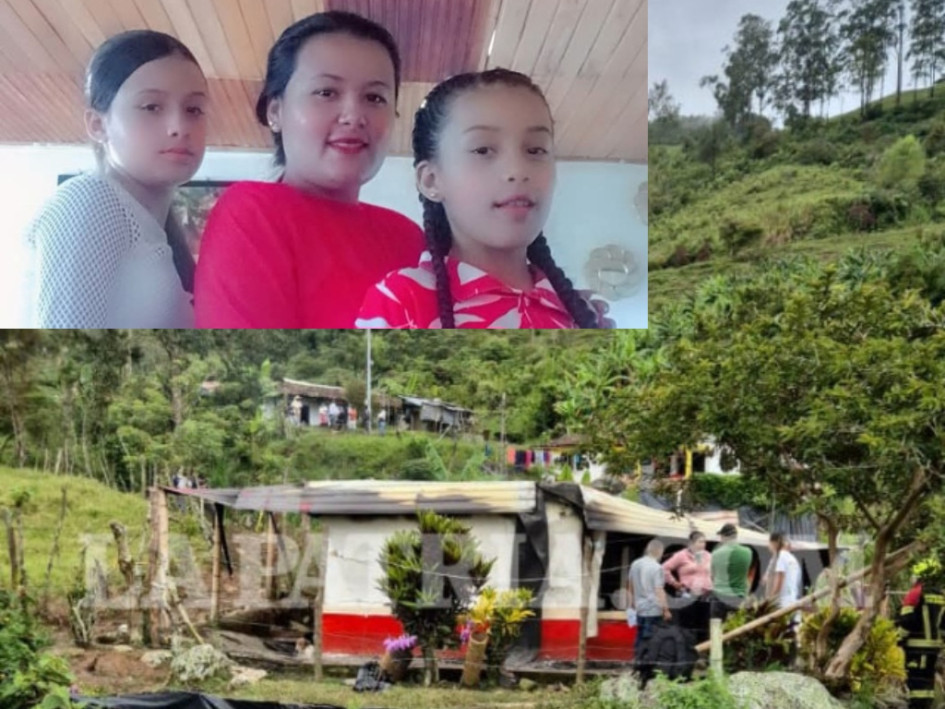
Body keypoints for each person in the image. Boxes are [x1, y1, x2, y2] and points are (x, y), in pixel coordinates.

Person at [194, 12, 424, 327]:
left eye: (374, 97)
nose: (354, 115)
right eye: (327, 92)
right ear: (275, 111)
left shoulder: (408, 237)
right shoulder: (253, 213)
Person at [356, 68, 603, 329]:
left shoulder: (578, 309)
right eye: (483, 150)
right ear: (431, 180)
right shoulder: (402, 301)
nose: (517, 171)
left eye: (535, 149)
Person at [23, 30, 206, 328]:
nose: (179, 127)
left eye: (194, 109)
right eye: (151, 107)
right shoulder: (89, 200)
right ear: (98, 125)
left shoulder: (155, 235)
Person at [663, 531, 713, 644]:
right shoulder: (682, 555)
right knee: (688, 626)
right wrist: (673, 582)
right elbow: (664, 568)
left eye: (704, 542)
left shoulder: (708, 556)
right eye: (700, 542)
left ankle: (702, 654)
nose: (703, 544)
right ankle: (687, 653)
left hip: (706, 595)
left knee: (704, 625)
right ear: (692, 543)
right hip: (687, 594)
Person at [628, 539, 672, 659]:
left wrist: (632, 603)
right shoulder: (657, 568)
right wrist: (666, 609)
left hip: (639, 608)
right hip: (653, 609)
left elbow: (630, 585)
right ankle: (647, 665)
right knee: (651, 638)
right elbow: (659, 590)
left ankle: (638, 661)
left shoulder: (635, 564)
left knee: (640, 636)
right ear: (660, 552)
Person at [710, 523, 753, 622]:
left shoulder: (716, 553)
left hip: (719, 597)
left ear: (723, 537)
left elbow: (712, 576)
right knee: (736, 630)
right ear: (736, 536)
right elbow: (746, 574)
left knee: (717, 629)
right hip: (739, 598)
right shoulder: (748, 552)